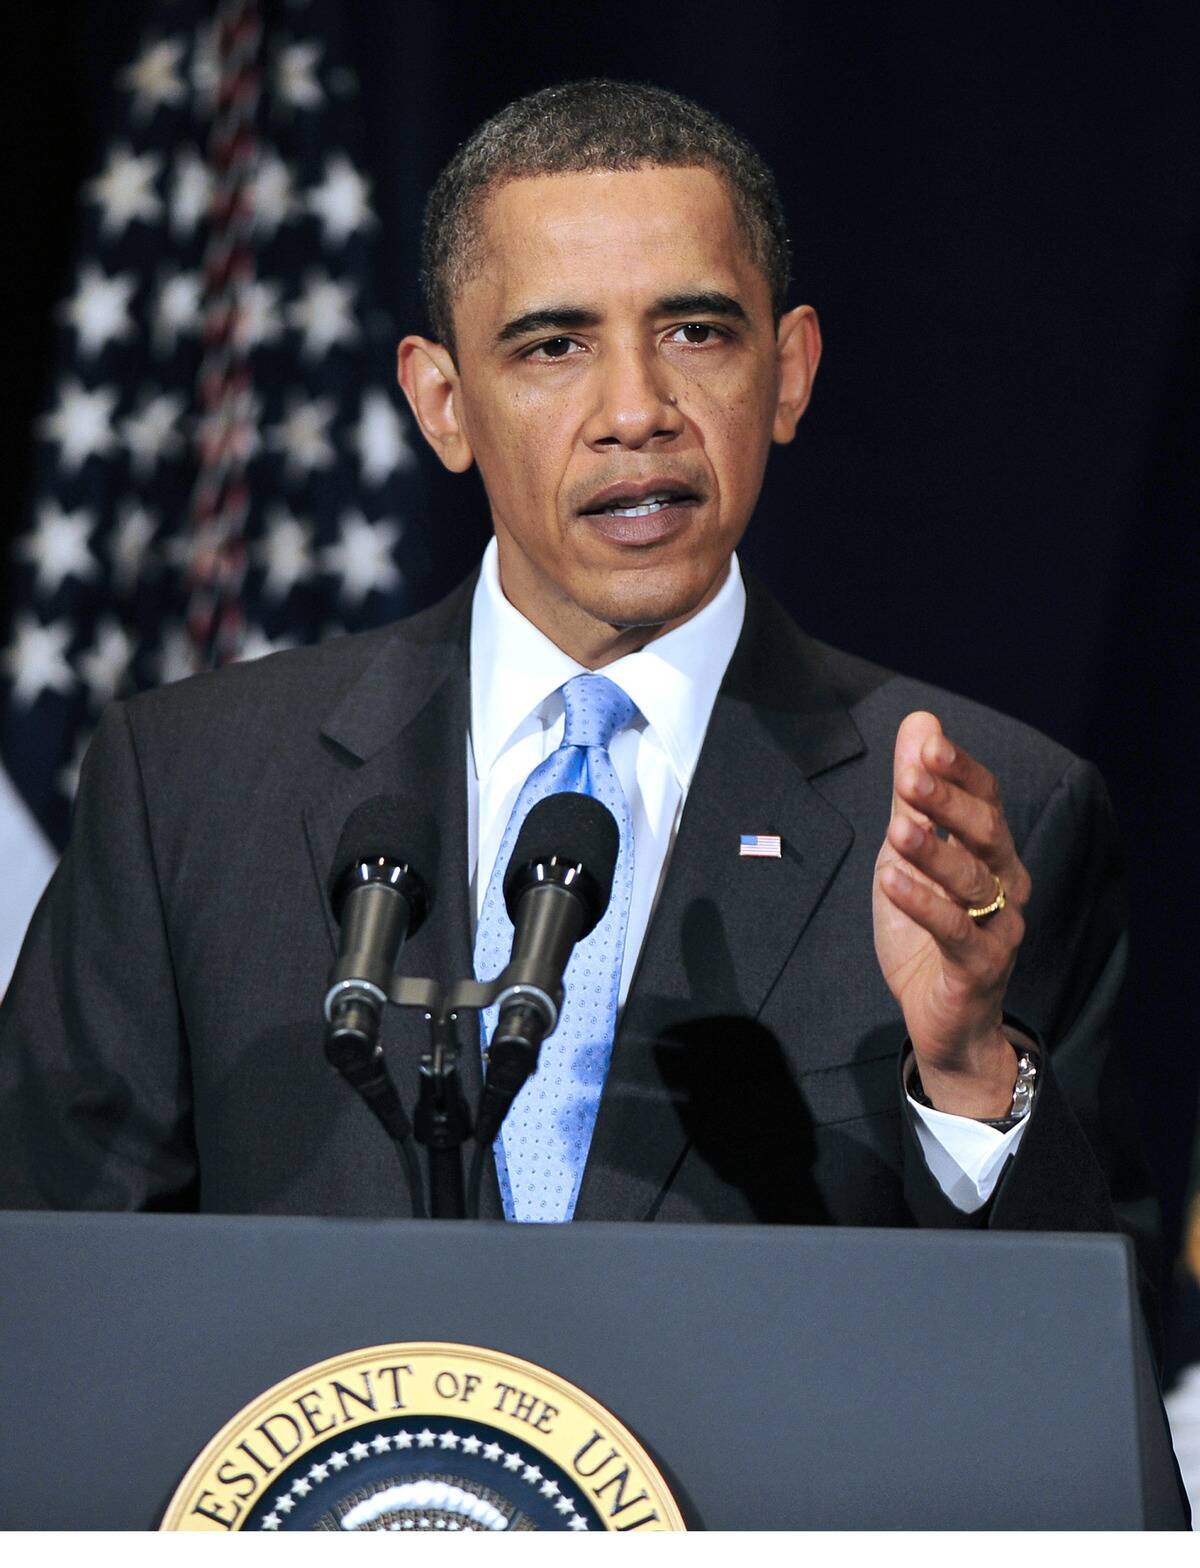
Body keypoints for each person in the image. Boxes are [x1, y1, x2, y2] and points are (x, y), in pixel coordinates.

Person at [0, 83, 1158, 1307]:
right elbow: (44, 1303)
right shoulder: (189, 791)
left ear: (789, 372)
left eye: (696, 333)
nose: (636, 412)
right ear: (443, 404)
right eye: (554, 345)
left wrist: (972, 1077)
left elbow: (1093, 1363)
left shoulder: (985, 823)